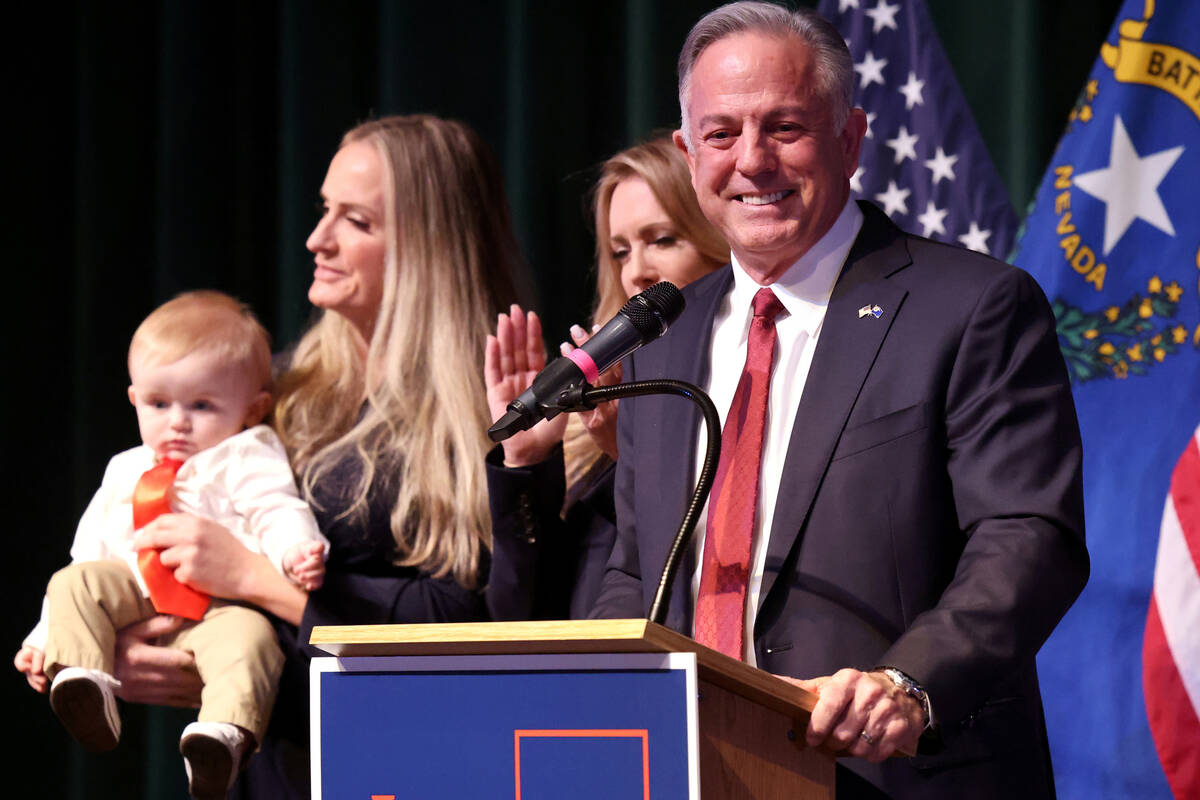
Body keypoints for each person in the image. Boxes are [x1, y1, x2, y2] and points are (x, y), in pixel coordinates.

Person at [589, 4, 1089, 799]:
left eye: (784, 127)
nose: (752, 160)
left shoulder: (971, 306)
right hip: (698, 772)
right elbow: (636, 567)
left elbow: (1029, 537)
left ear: (851, 137)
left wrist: (911, 684)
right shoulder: (664, 340)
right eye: (721, 135)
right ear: (688, 154)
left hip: (899, 778)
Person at [105, 115, 521, 798]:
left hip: (410, 765)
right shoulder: (277, 391)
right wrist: (144, 645)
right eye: (325, 210)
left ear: (427, 247)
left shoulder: (490, 409)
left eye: (354, 221)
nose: (316, 240)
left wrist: (260, 581)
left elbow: (468, 624)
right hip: (272, 764)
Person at [13, 290, 328, 799]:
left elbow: (277, 508)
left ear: (253, 409)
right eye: (160, 404)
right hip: (136, 593)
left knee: (251, 642)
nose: (177, 421)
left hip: (221, 608)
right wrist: (44, 636)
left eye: (202, 406)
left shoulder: (246, 454)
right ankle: (83, 679)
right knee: (73, 581)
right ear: (135, 398)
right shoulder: (126, 468)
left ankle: (222, 737)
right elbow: (90, 551)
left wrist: (298, 550)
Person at [485, 136, 728, 620]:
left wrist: (635, 456)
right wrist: (528, 465)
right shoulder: (597, 401)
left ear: (717, 240)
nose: (636, 271)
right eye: (620, 251)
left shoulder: (739, 387)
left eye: (662, 239)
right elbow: (519, 617)